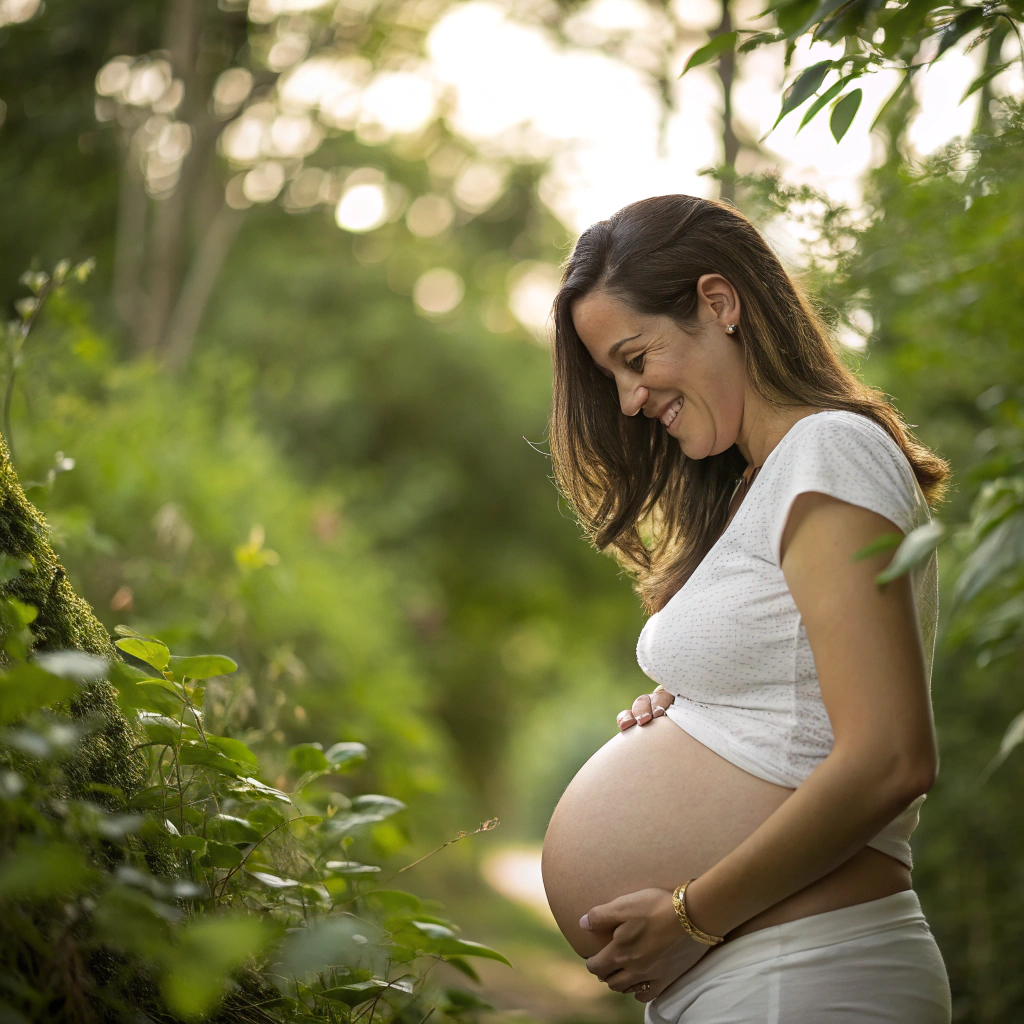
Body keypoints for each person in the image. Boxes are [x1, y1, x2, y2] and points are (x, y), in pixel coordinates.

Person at [542, 194, 953, 1022]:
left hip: (807, 970)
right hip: (763, 976)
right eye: (613, 377)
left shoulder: (829, 450)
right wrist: (697, 714)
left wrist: (692, 915)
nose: (628, 399)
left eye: (635, 357)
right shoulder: (760, 485)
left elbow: (891, 757)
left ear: (718, 303)